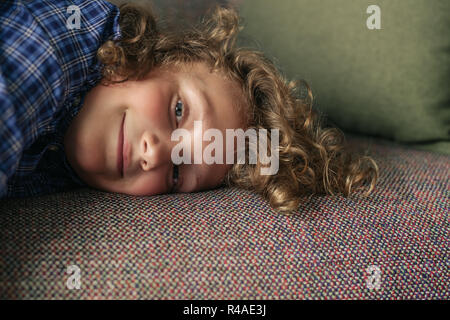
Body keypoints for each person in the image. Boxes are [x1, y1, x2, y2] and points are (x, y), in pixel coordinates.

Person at [0, 0, 378, 214]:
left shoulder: (66, 165)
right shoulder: (64, 41)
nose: (156, 153)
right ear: (152, 55)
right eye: (179, 111)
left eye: (178, 172)